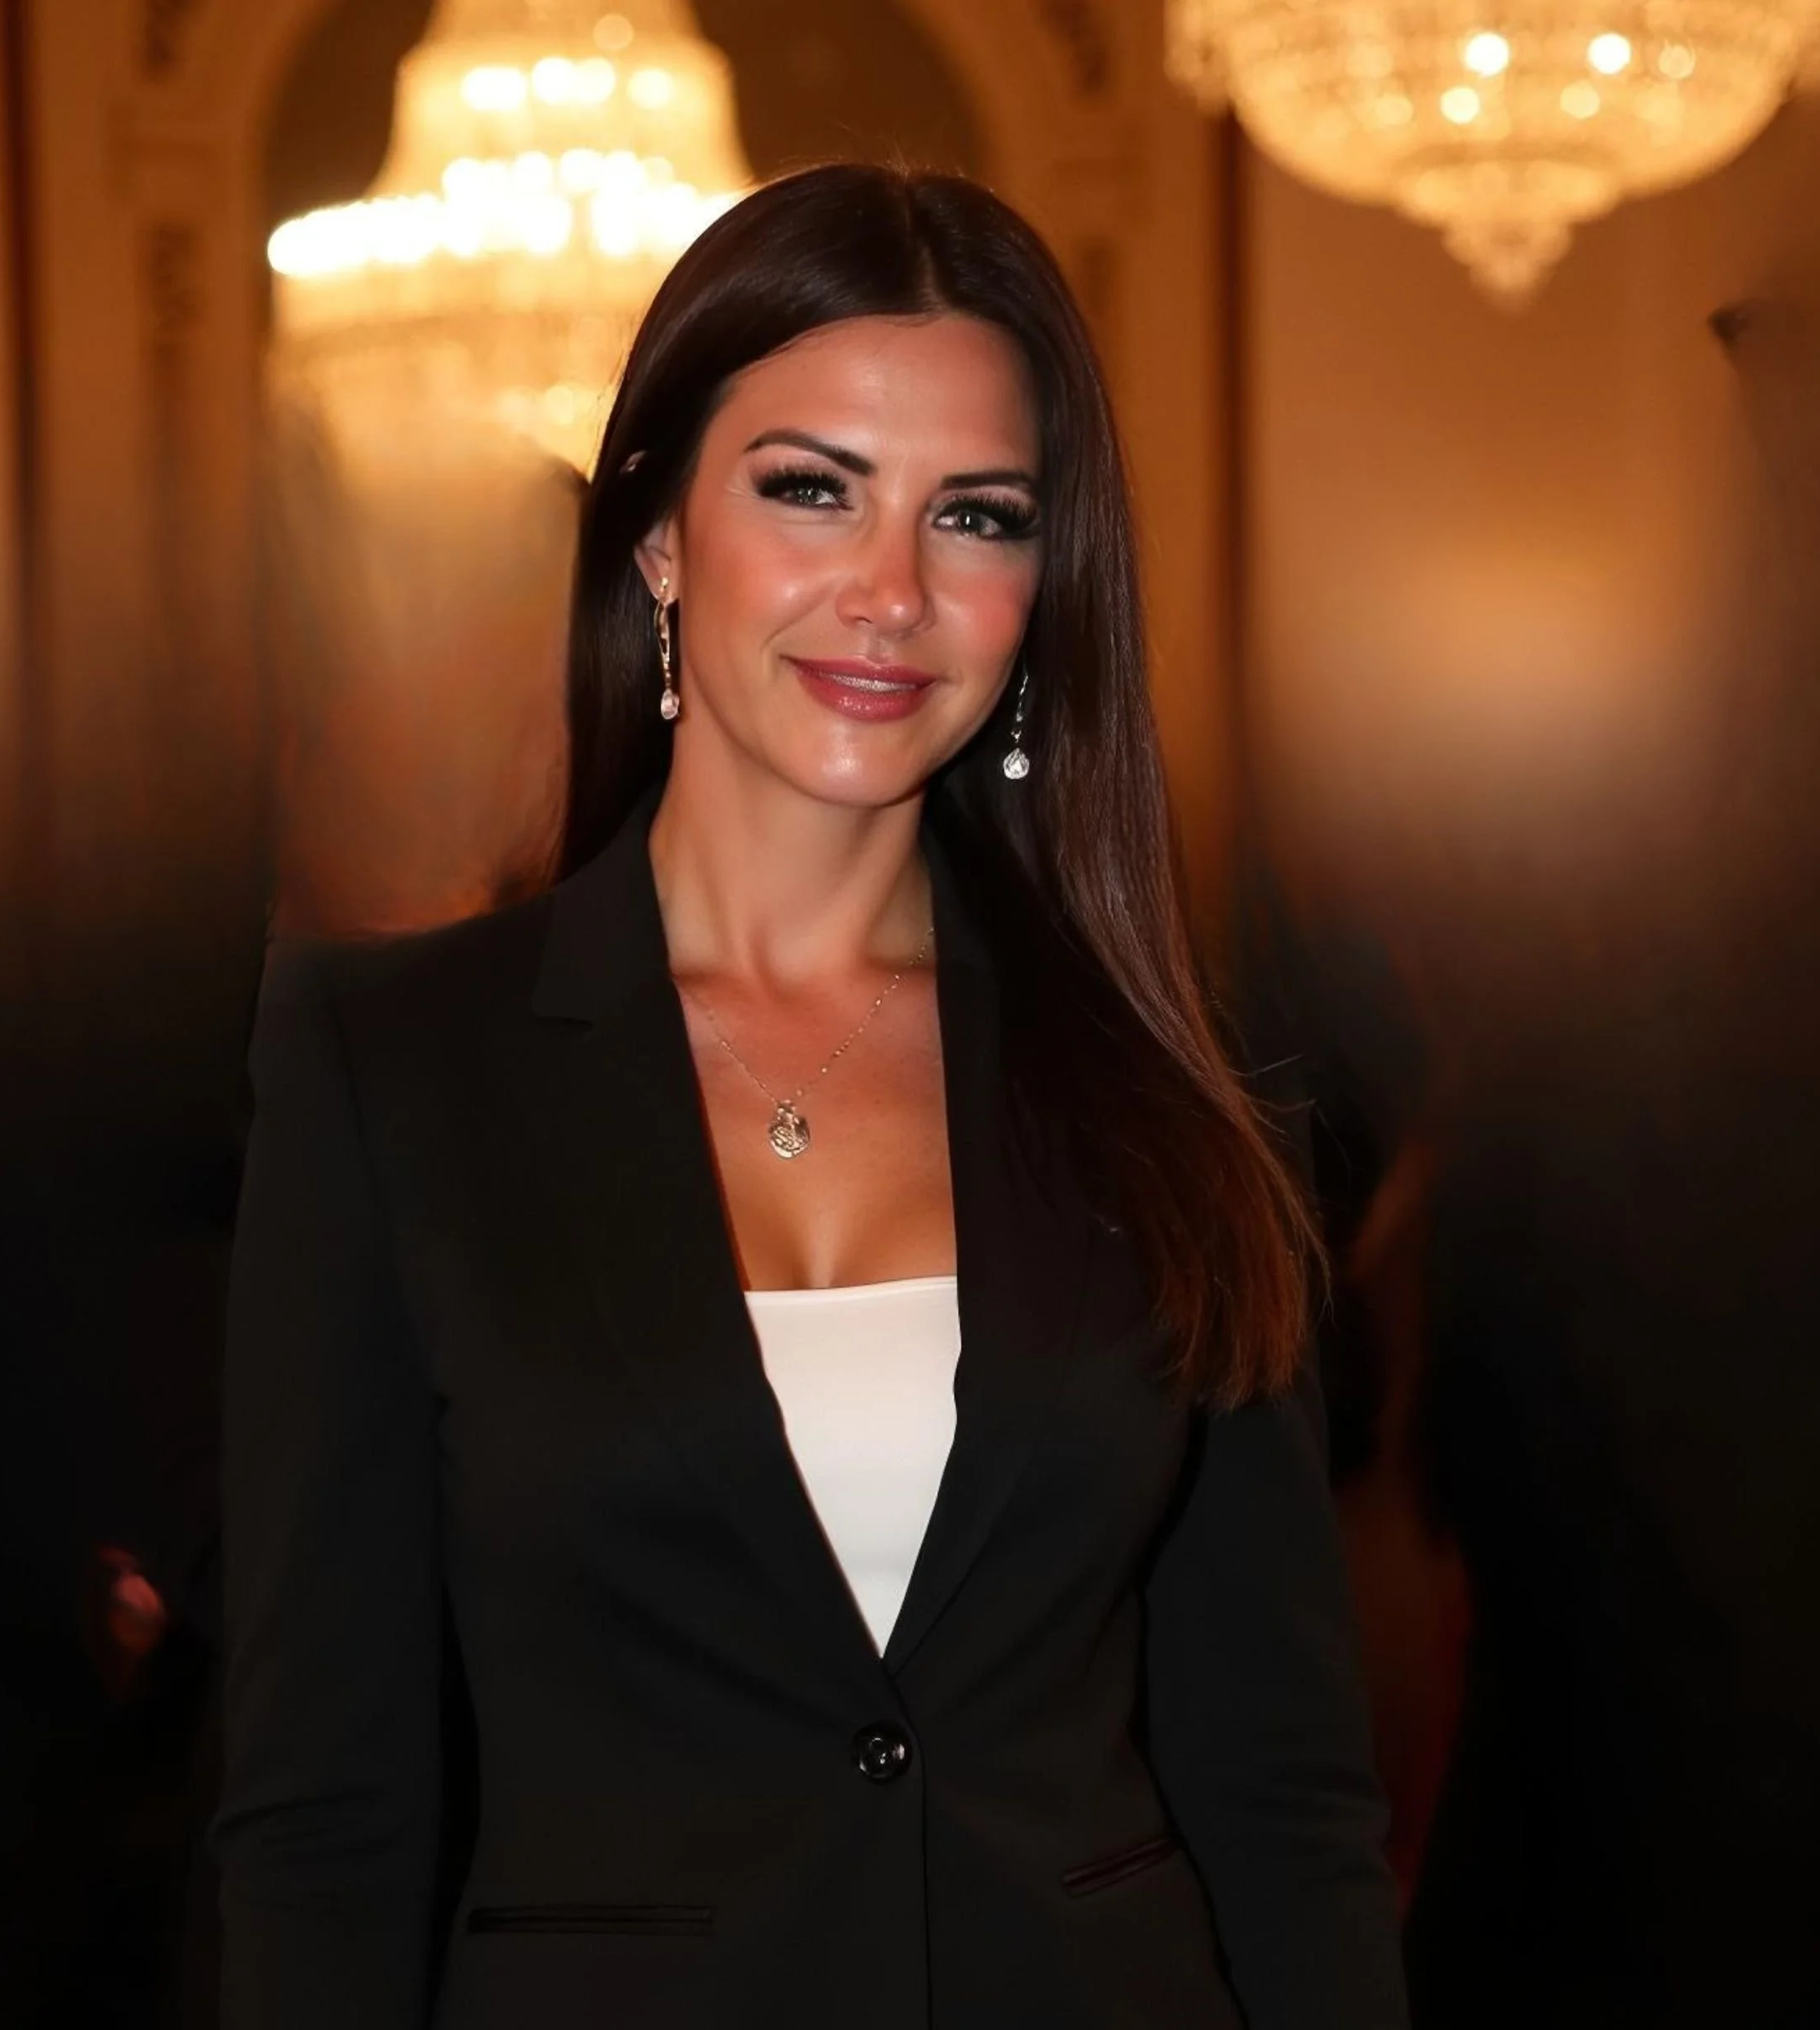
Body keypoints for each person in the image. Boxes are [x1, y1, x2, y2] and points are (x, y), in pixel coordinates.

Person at [214, 163, 1407, 2030]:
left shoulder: (1171, 1080)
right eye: (810, 487)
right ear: (661, 534)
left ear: (1042, 588)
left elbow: (1286, 1794)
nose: (894, 593)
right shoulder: (389, 1069)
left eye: (980, 517)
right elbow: (319, 1819)